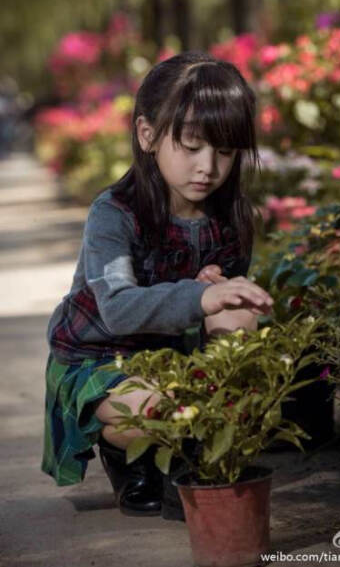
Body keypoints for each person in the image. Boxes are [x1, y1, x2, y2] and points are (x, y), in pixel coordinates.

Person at [41, 50, 273, 519]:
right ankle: (129, 454)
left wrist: (219, 286)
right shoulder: (114, 213)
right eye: (191, 146)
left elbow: (220, 305)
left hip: (171, 354)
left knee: (242, 311)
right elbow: (120, 310)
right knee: (156, 408)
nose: (208, 166)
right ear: (147, 135)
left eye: (224, 151)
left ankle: (201, 454)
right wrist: (199, 294)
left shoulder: (231, 217)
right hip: (100, 358)